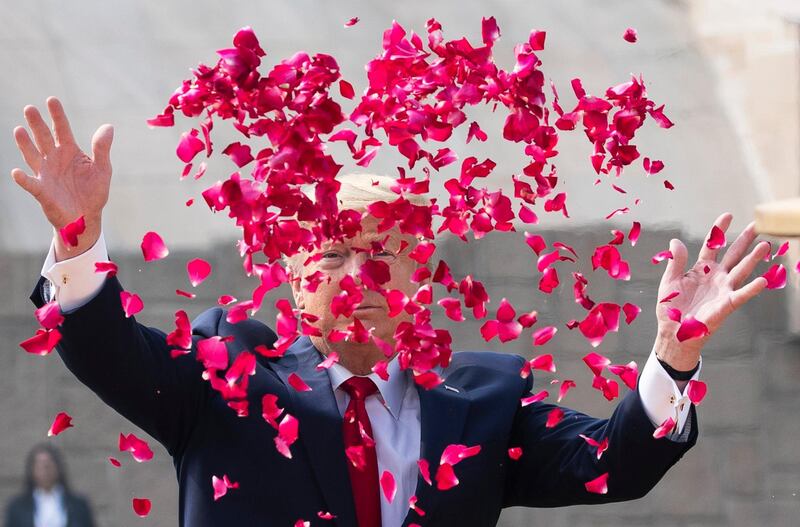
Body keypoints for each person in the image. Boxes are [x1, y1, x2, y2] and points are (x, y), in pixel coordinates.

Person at [10, 97, 771, 526]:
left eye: (385, 252)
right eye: (335, 254)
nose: (360, 272)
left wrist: (674, 355)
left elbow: (617, 463)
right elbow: (108, 349)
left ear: (427, 276)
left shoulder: (487, 402)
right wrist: (77, 240)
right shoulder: (226, 379)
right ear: (294, 278)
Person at [4, 444, 95, 527]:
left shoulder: (78, 505)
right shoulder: (17, 507)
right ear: (32, 470)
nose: (45, 471)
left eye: (48, 466)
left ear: (58, 468)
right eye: (40, 466)